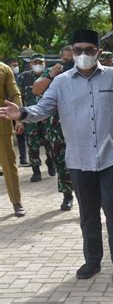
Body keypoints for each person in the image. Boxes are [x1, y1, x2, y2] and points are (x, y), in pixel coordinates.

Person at [0, 29, 113, 286]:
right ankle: (93, 260)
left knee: (112, 209)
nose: (83, 54)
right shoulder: (62, 82)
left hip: (111, 157)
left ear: (98, 51)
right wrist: (20, 113)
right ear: (72, 52)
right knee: (87, 214)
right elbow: (42, 109)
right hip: (78, 159)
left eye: (89, 50)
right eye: (78, 50)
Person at [32, 46, 75, 211]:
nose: (69, 62)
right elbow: (37, 89)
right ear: (60, 58)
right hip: (57, 127)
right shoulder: (53, 72)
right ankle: (67, 195)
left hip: (81, 125)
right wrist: (51, 75)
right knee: (61, 161)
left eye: (72, 59)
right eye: (65, 59)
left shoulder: (84, 72)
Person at [17, 54, 55, 182]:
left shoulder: (50, 75)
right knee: (32, 144)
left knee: (50, 143)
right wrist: (19, 119)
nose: (38, 64)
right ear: (31, 63)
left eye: (40, 62)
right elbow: (19, 96)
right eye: (35, 62)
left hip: (47, 116)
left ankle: (50, 161)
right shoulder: (24, 77)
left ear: (44, 63)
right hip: (30, 116)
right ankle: (36, 171)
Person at [0, 61, 25, 217]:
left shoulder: (4, 69)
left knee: (9, 165)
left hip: (1, 123)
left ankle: (16, 202)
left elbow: (15, 94)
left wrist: (19, 118)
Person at [6, 58, 29, 167]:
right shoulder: (4, 77)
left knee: (21, 134)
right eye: (13, 65)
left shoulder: (20, 78)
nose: (16, 67)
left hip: (18, 109)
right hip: (5, 110)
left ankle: (23, 159)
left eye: (16, 65)